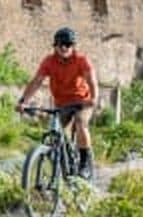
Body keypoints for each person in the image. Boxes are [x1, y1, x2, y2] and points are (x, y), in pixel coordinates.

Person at [16, 27, 98, 179]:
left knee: (80, 122)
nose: (64, 48)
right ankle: (60, 165)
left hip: (82, 102)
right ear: (55, 46)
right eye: (61, 44)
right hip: (62, 103)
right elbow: (37, 81)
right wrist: (23, 101)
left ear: (73, 46)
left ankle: (84, 163)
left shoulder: (81, 60)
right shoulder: (49, 62)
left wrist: (94, 98)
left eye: (68, 44)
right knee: (55, 133)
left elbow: (91, 80)